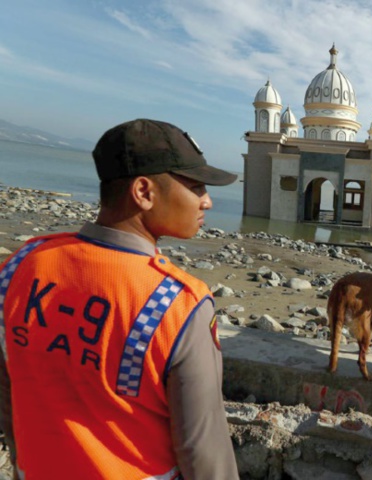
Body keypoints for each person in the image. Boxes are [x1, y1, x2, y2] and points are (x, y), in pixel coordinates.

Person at [0, 119, 240, 479]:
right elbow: (204, 453)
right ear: (144, 192)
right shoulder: (177, 305)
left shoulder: (17, 268)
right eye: (195, 186)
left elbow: (9, 393)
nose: (206, 200)